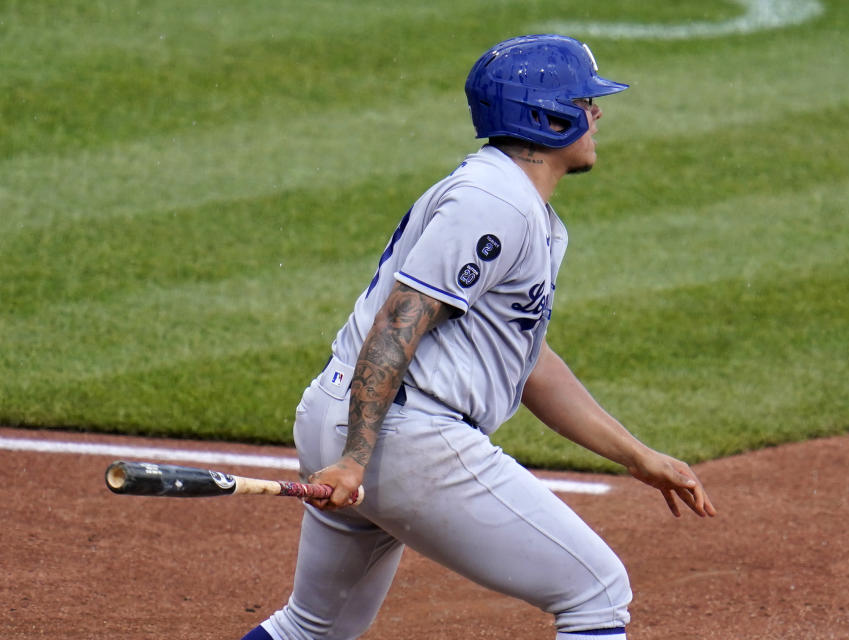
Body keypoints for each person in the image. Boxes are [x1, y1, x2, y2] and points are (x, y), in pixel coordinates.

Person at [241, 34, 716, 640]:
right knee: (596, 592)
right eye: (585, 102)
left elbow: (530, 362)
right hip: (398, 434)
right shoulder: (493, 203)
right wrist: (356, 459)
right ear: (547, 116)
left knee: (312, 630)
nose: (597, 115)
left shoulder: (510, 199)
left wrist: (638, 457)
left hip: (351, 415)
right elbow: (397, 325)